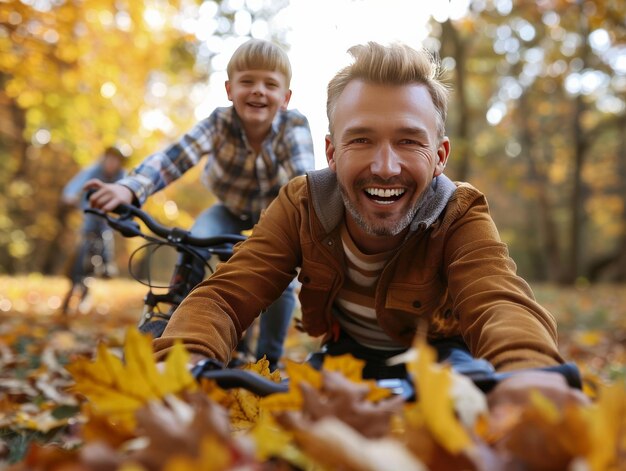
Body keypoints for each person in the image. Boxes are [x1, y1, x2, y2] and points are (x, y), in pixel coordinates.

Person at [86, 39, 315, 370]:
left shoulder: (294, 126)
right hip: (229, 209)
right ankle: (186, 337)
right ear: (229, 89)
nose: (258, 91)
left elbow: (301, 181)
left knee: (281, 280)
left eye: (270, 84)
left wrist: (308, 231)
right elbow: (175, 157)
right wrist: (130, 189)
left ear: (286, 98)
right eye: (247, 81)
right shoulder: (219, 122)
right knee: (196, 241)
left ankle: (268, 362)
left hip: (275, 216)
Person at [60, 146, 126, 314]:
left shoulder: (122, 176)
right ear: (104, 159)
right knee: (82, 246)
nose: (112, 163)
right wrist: (71, 195)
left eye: (116, 160)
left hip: (106, 218)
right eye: (109, 159)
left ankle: (107, 264)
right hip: (89, 215)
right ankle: (73, 282)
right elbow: (75, 185)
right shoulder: (93, 171)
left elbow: (128, 193)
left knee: (106, 235)